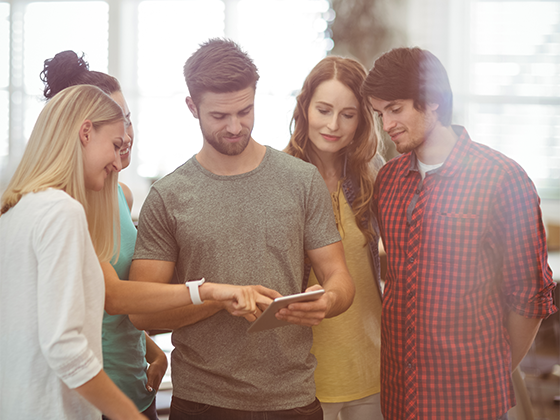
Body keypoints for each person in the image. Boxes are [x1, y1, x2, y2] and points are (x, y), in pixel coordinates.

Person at [37, 50, 274, 420]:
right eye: (116, 128)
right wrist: (211, 292)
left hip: (137, 386)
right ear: (85, 130)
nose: (126, 135)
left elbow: (108, 309)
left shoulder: (119, 193)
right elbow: (113, 297)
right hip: (98, 394)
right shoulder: (65, 206)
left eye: (128, 120)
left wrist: (152, 351)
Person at [128, 38, 355, 420]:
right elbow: (143, 314)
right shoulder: (169, 196)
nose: (235, 126)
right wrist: (216, 298)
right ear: (191, 107)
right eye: (219, 116)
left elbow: (340, 278)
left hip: (292, 400)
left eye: (245, 111)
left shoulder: (301, 180)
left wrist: (328, 300)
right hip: (202, 402)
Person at [361, 47, 557, 420]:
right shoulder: (388, 181)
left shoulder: (502, 179)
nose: (386, 125)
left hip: (471, 399)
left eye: (396, 109)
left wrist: (490, 369)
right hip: (399, 396)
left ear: (432, 102)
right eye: (379, 113)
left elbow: (530, 300)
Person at [0, 84, 145, 419]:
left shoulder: (15, 213)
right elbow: (64, 346)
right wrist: (130, 415)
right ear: (85, 132)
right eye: (115, 145)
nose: (117, 162)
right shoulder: (61, 211)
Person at [285, 56, 384, 420]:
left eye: (348, 114)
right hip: (306, 372)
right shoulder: (279, 179)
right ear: (304, 108)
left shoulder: (374, 178)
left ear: (362, 120)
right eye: (323, 110)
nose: (333, 125)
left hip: (372, 363)